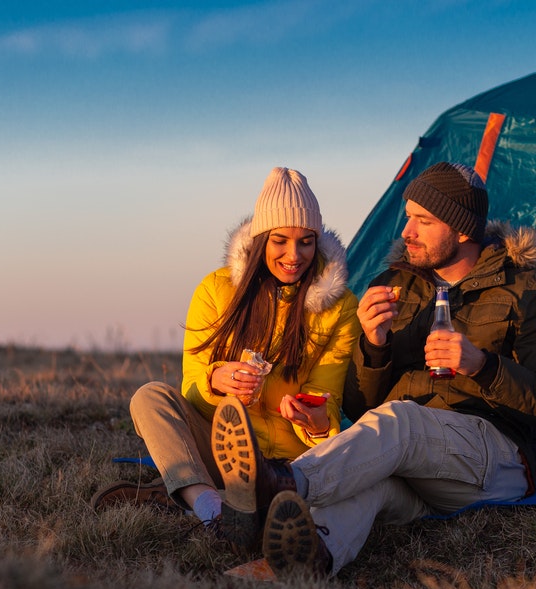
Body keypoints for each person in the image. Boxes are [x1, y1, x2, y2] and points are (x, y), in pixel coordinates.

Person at [210, 161, 536, 576]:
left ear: (462, 230)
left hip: (490, 458)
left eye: (423, 221)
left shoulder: (526, 290)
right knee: (370, 481)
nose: (407, 233)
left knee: (399, 422)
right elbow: (359, 404)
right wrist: (374, 344)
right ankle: (303, 561)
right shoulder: (396, 284)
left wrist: (483, 367)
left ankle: (274, 486)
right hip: (410, 462)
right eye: (408, 219)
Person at [93, 167, 360, 550]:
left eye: (306, 242)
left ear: (317, 242)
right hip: (222, 446)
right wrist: (215, 381)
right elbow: (191, 387)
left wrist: (314, 419)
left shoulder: (340, 307)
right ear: (262, 239)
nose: (293, 255)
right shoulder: (216, 290)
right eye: (280, 240)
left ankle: (188, 494)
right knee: (150, 397)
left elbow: (327, 397)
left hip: (285, 468)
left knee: (279, 487)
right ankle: (212, 508)